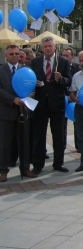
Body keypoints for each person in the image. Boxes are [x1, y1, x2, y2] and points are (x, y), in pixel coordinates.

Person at [31, 36, 72, 175]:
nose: (48, 48)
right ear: (42, 48)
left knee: (58, 135)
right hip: (40, 103)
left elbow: (69, 81)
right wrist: (34, 83)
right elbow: (30, 80)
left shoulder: (63, 61)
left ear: (55, 47)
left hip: (57, 103)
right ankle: (38, 164)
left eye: (50, 46)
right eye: (45, 46)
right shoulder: (35, 62)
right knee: (39, 135)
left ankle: (58, 163)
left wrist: (60, 79)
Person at [0, 45, 37, 181]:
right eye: (11, 54)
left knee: (25, 141)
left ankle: (25, 168)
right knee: (5, 143)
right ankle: (3, 171)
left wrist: (27, 97)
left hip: (23, 112)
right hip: (6, 112)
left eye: (17, 53)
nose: (15, 56)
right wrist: (13, 99)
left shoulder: (26, 71)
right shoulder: (1, 70)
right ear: (6, 56)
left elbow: (31, 87)